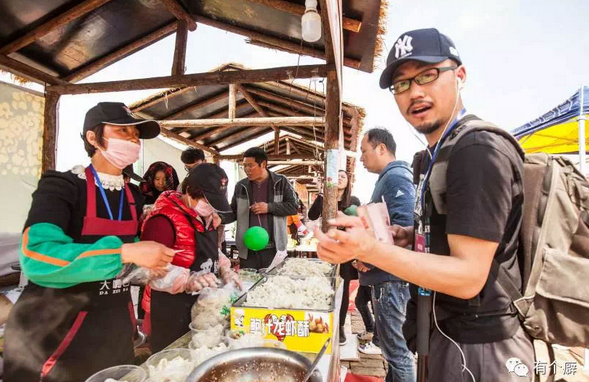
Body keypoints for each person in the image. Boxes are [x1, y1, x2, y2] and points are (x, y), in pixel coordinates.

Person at [314, 28, 533, 382]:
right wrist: (406, 236)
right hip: (444, 333)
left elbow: (468, 277)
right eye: (401, 84)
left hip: (481, 347)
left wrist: (370, 248)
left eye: (427, 75)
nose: (414, 92)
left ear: (459, 76)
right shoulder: (435, 154)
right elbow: (450, 235)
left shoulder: (475, 150)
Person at [4, 102, 175, 382]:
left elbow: (124, 267)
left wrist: (152, 271)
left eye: (135, 133)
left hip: (113, 332)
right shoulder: (62, 186)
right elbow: (38, 257)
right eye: (123, 130)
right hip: (55, 336)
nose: (133, 138)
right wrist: (124, 251)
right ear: (93, 138)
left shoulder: (132, 195)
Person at [140, 164, 241, 352]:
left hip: (205, 309)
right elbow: (148, 270)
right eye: (208, 202)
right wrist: (187, 280)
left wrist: (225, 269)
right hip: (173, 311)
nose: (212, 208)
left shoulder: (206, 216)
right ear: (189, 192)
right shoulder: (162, 221)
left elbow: (212, 251)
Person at [353, 128, 416, 380]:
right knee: (393, 353)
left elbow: (401, 227)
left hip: (391, 278)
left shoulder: (396, 178)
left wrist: (370, 257)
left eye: (363, 151)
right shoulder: (388, 178)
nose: (361, 158)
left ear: (381, 149)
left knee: (398, 354)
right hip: (386, 276)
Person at [220, 147, 298, 270]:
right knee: (248, 284)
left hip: (274, 249)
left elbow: (294, 207)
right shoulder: (241, 186)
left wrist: (269, 207)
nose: (246, 170)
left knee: (272, 285)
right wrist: (219, 218)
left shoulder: (281, 182)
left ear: (263, 164)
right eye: (244, 166)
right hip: (248, 250)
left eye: (250, 166)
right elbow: (233, 212)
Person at [308, 170, 358, 346]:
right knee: (323, 285)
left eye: (343, 176)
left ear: (348, 182)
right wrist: (321, 196)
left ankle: (341, 325)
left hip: (344, 250)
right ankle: (320, 323)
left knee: (342, 289)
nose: (340, 178)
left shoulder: (353, 202)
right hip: (326, 247)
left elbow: (356, 226)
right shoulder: (323, 199)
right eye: (336, 176)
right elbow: (311, 216)